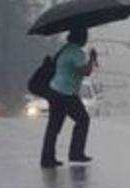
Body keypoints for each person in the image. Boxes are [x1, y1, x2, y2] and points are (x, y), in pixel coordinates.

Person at [40, 27, 97, 168]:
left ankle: (47, 159)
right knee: (83, 120)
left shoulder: (66, 49)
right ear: (81, 38)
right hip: (65, 93)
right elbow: (86, 71)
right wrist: (92, 59)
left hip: (55, 91)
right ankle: (76, 153)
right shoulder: (76, 52)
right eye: (85, 36)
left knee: (54, 126)